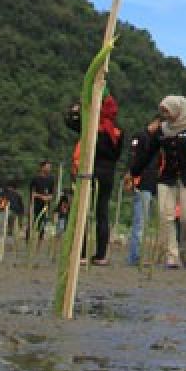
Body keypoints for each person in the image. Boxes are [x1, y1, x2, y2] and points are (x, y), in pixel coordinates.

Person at [131, 95, 186, 269]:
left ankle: (185, 251)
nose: (165, 114)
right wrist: (134, 171)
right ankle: (171, 256)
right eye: (163, 111)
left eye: (168, 110)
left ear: (178, 109)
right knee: (165, 216)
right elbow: (148, 152)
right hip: (167, 178)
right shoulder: (162, 130)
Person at [65, 95, 124, 266]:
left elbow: (69, 121)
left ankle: (81, 254)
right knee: (102, 213)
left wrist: (77, 108)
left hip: (89, 173)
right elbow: (118, 155)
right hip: (108, 175)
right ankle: (101, 255)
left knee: (83, 211)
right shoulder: (117, 131)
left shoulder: (91, 127)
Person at [125, 128, 159, 266]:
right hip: (142, 185)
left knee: (144, 221)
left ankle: (137, 255)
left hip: (153, 184)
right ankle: (135, 256)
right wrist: (130, 178)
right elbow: (133, 158)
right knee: (140, 221)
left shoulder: (159, 141)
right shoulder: (140, 136)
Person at [27, 160, 56, 245]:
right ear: (42, 167)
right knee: (31, 224)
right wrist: (41, 196)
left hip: (45, 206)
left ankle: (39, 244)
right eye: (47, 167)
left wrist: (48, 198)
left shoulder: (51, 179)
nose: (49, 169)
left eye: (50, 167)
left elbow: (52, 194)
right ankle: (28, 243)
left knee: (42, 225)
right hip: (35, 205)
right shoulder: (35, 179)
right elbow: (32, 193)